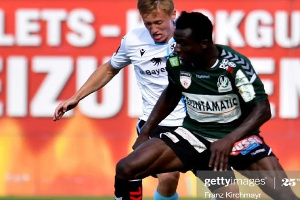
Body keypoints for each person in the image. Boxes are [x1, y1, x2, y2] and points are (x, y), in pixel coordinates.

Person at [114, 11, 300, 200]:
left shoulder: (234, 66)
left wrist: (229, 139)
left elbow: (262, 109)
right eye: (176, 42)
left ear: (203, 43)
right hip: (194, 136)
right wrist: (146, 131)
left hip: (238, 139)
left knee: (284, 195)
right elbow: (172, 92)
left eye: (183, 43)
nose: (177, 48)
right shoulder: (176, 61)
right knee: (126, 168)